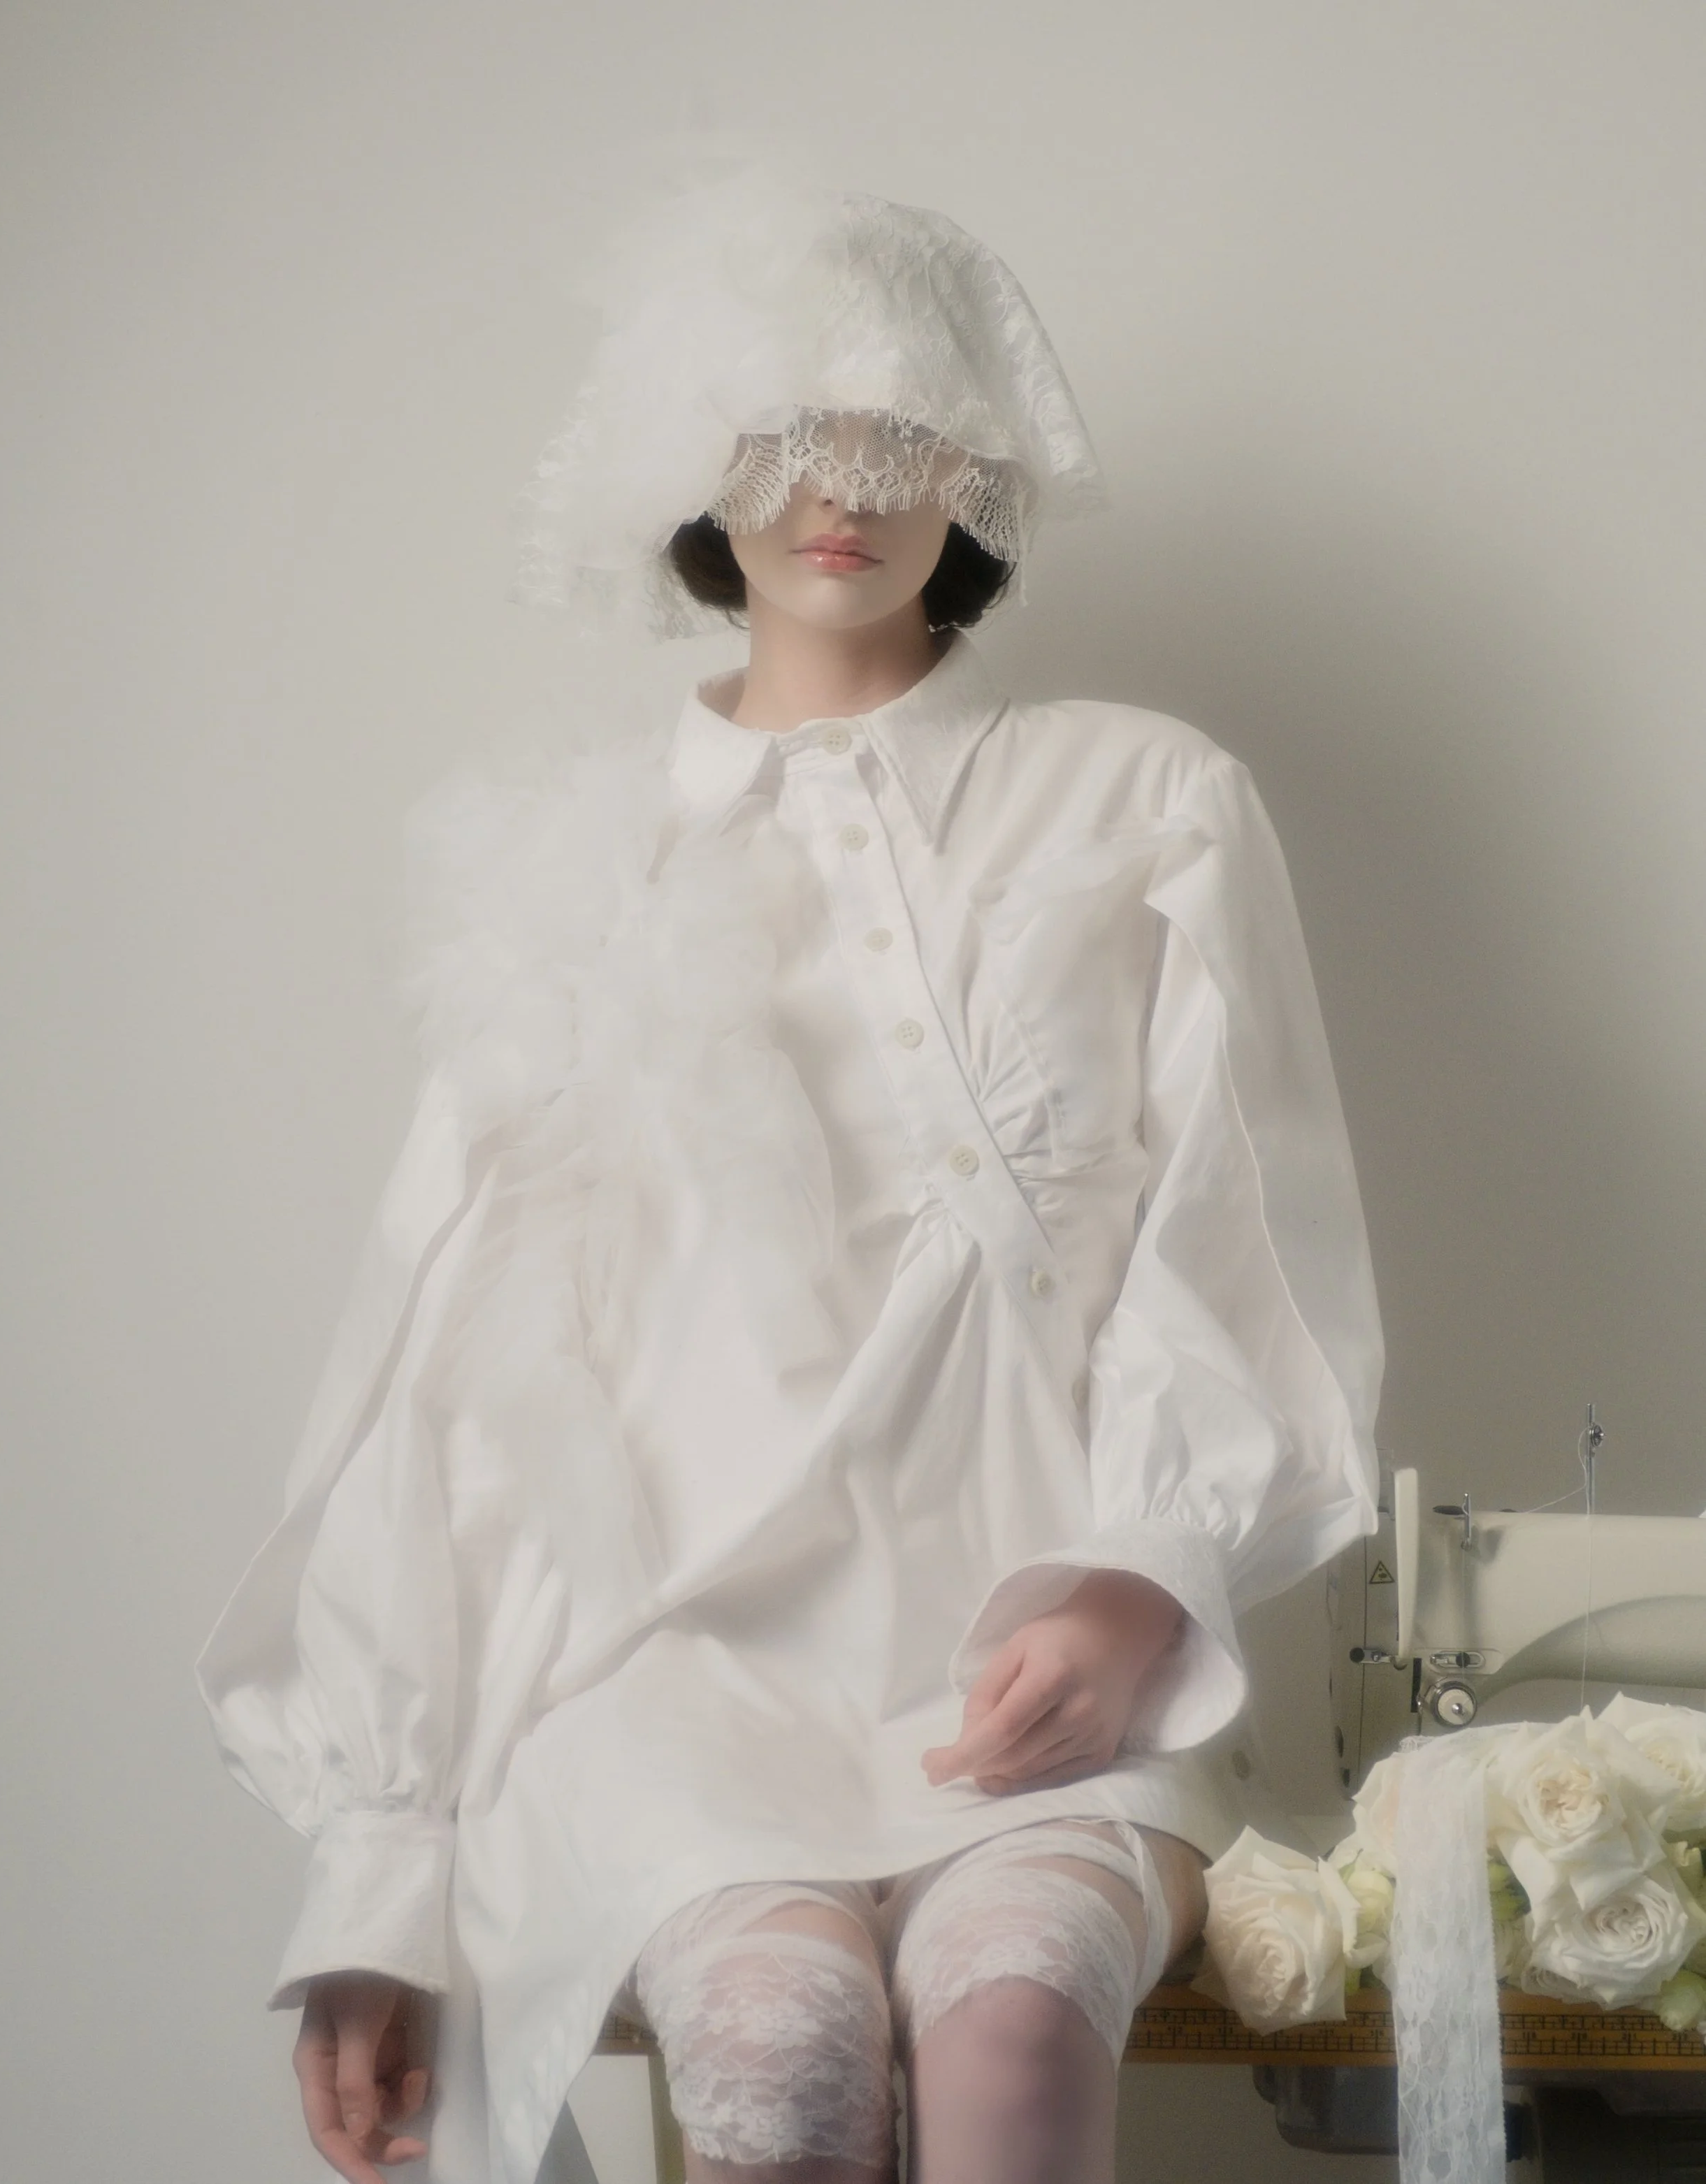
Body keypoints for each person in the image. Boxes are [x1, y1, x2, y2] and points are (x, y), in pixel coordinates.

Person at [197, 178, 1383, 2184]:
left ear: (981, 459)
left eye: (901, 432)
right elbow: (454, 1384)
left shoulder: (1145, 796)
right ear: (680, 463)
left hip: (1042, 1643)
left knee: (1008, 2027)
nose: (843, 486)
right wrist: (381, 1873)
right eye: (775, 433)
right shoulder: (565, 876)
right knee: (776, 2044)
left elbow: (1237, 1229)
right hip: (671, 1670)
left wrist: (1140, 1572)